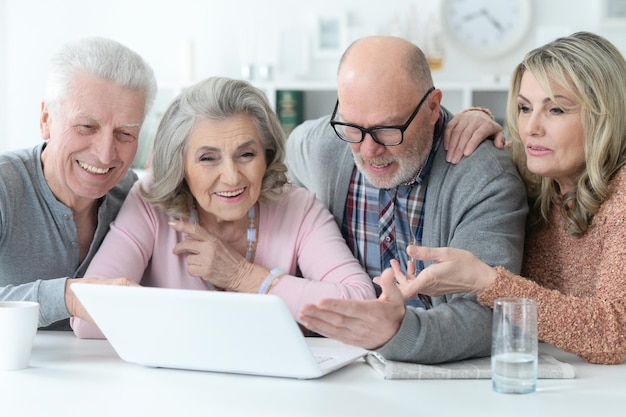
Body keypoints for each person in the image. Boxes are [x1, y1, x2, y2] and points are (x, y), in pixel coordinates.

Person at [71, 76, 376, 338]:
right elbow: (88, 319)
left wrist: (242, 276)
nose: (231, 177)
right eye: (207, 158)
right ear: (180, 166)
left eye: (246, 154)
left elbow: (362, 305)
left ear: (266, 155)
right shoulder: (152, 202)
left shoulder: (297, 207)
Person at [287, 36, 528, 364]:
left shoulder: (484, 176)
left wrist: (396, 332)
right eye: (353, 127)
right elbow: (283, 167)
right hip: (334, 365)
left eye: (387, 129)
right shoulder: (324, 146)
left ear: (432, 107)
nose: (369, 150)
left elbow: (489, 313)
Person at [395, 32, 626, 365]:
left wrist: (486, 281)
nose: (531, 127)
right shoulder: (536, 176)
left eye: (556, 109)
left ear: (606, 116)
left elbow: (615, 333)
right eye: (524, 107)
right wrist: (475, 117)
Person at [0, 37, 157, 330]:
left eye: (125, 133)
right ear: (46, 120)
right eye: (87, 127)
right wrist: (68, 297)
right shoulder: (5, 186)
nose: (105, 153)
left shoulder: (129, 193)